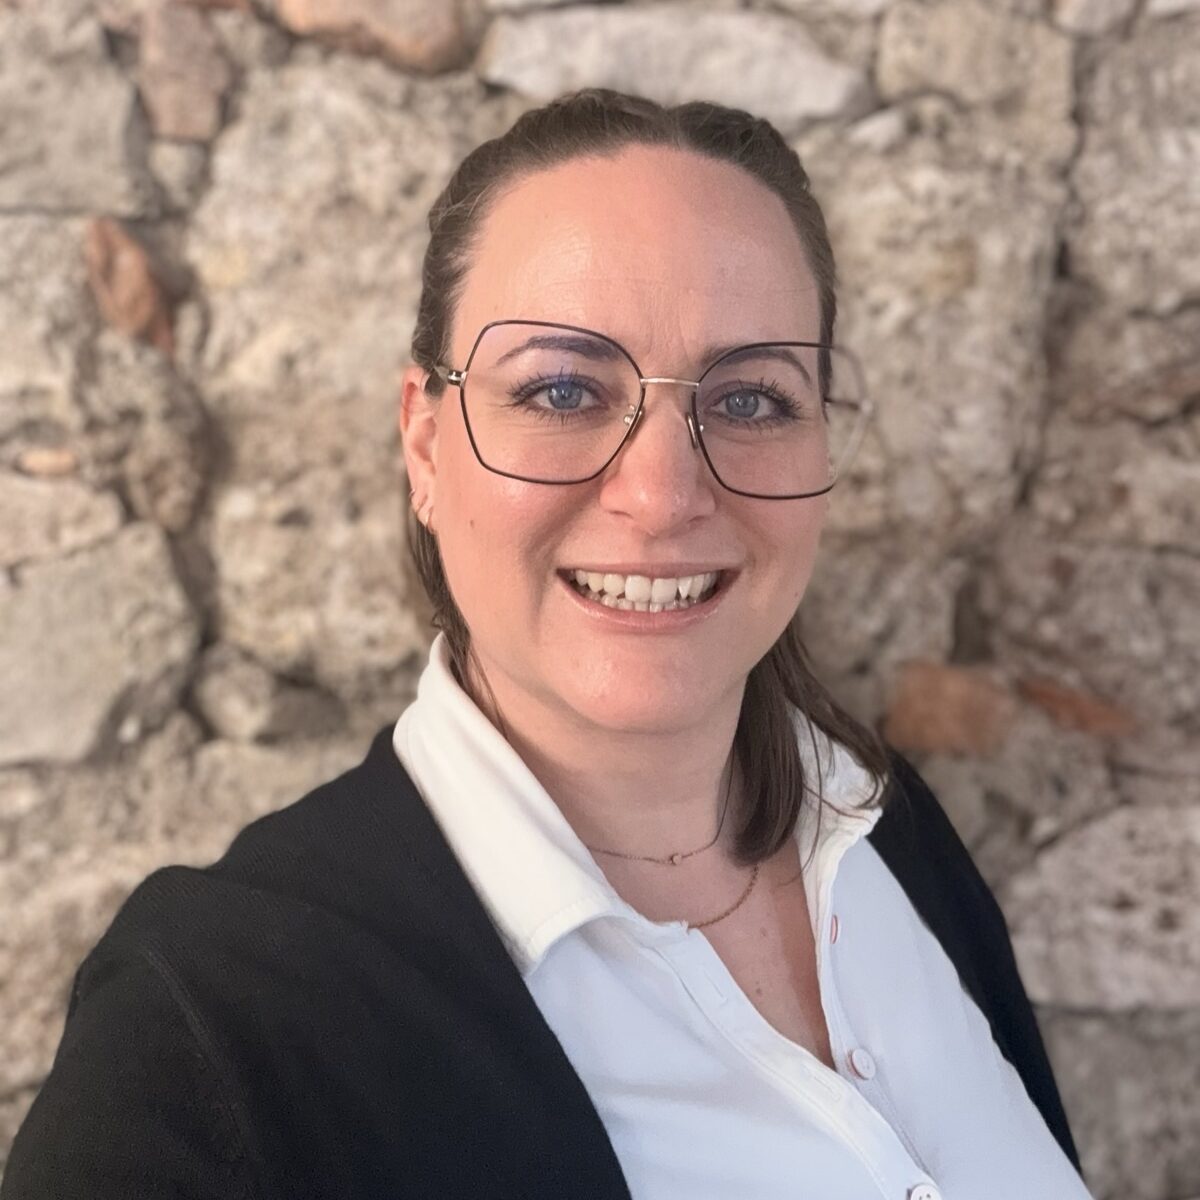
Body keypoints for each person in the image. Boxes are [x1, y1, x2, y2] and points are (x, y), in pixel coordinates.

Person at [2, 90, 1093, 1200]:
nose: (662, 495)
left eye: (753, 401)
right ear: (426, 445)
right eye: (563, 390)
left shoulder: (886, 828)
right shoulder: (208, 1038)